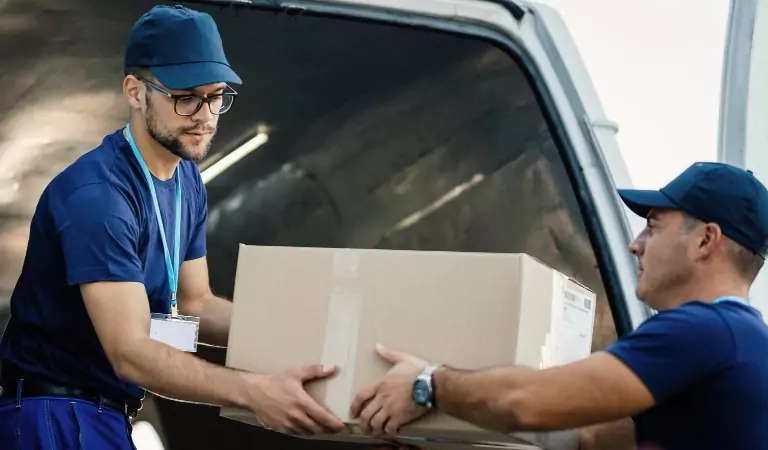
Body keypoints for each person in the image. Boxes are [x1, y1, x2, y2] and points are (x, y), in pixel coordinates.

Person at [0, 5, 344, 448]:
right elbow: (130, 352)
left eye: (216, 96)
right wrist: (253, 391)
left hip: (106, 413)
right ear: (135, 92)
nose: (205, 115)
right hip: (55, 414)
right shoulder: (97, 197)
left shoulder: (186, 181)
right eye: (186, 97)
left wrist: (297, 333)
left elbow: (196, 302)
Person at [350, 161, 768, 450]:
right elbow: (588, 441)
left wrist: (426, 384)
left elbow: (524, 402)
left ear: (705, 240)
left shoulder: (705, 330)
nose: (635, 244)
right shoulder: (743, 344)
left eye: (653, 227)